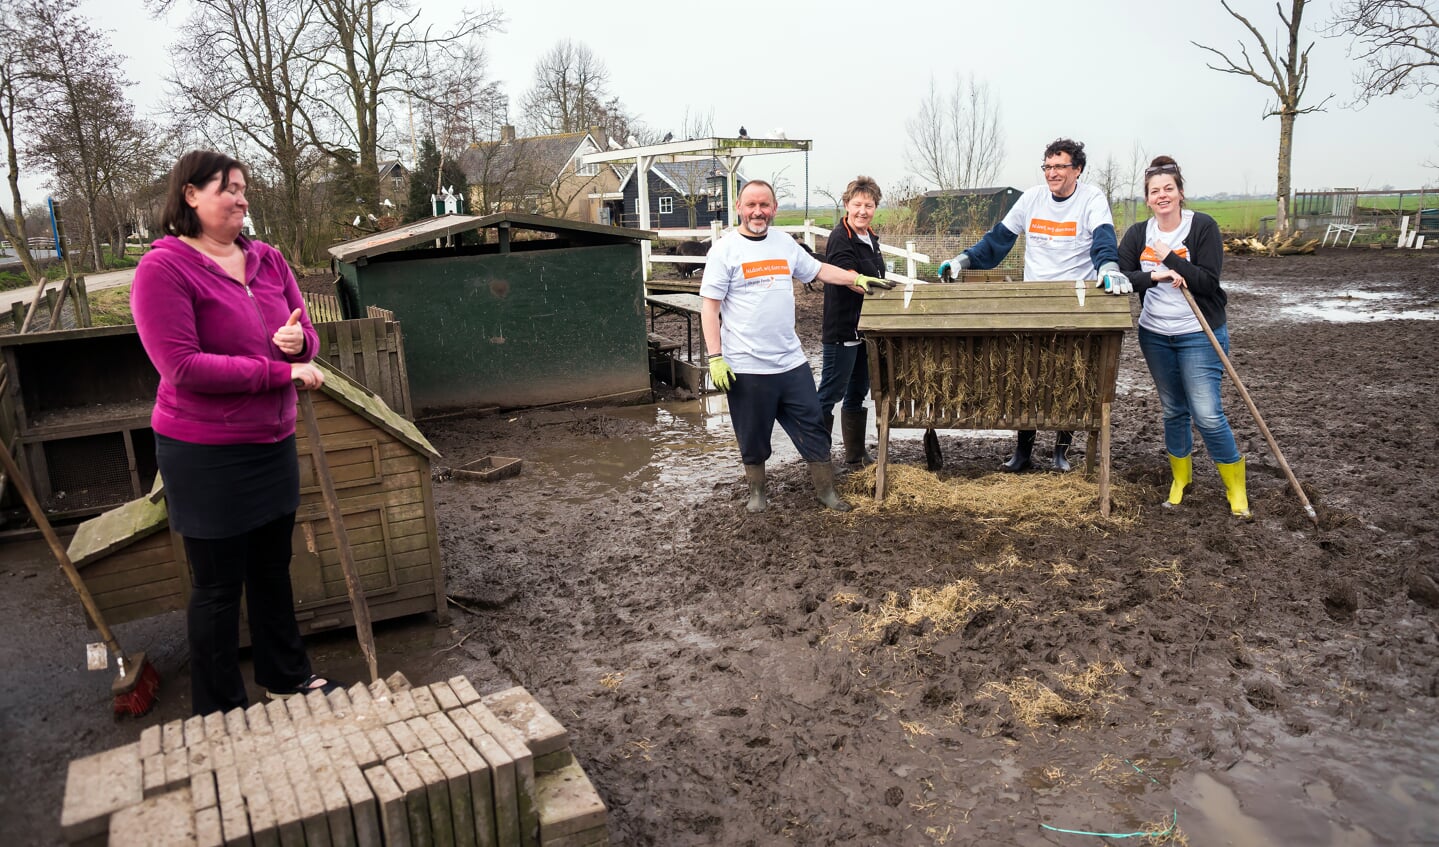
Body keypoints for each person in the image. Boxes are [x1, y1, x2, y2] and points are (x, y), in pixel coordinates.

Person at [131, 150, 342, 715]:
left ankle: (286, 677)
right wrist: (281, 371)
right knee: (219, 588)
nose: (241, 197)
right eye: (227, 187)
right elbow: (183, 366)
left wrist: (299, 345)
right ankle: (221, 709)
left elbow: (306, 336)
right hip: (205, 453)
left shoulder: (268, 259)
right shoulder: (163, 269)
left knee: (272, 570)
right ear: (190, 196)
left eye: (244, 187)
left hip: (272, 442)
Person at [937, 138, 1129, 472]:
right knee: (1027, 374)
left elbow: (1102, 240)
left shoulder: (1091, 199)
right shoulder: (1032, 199)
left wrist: (1108, 267)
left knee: (1069, 375)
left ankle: (1061, 451)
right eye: (1048, 166)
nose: (1052, 173)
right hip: (1034, 302)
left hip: (1074, 302)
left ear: (1077, 169)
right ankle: (1023, 451)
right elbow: (998, 240)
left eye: (1060, 166)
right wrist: (962, 260)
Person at [701, 180, 886, 513]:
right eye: (751, 205)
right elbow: (710, 308)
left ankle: (825, 491)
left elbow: (818, 270)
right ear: (740, 208)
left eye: (764, 205)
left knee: (813, 423)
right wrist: (715, 358)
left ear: (773, 209)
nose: (758, 212)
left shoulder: (784, 243)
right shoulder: (724, 250)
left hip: (790, 361)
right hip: (746, 365)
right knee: (753, 434)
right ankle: (758, 492)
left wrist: (855, 278)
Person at [1117, 155, 1248, 518]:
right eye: (1155, 191)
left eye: (1168, 189)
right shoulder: (1136, 234)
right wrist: (1155, 276)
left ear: (1180, 193)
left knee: (1206, 414)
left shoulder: (1202, 227)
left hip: (1199, 332)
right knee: (1174, 410)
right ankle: (1181, 480)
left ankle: (1236, 489)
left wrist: (1170, 259)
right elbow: (1120, 278)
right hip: (1156, 334)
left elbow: (1208, 281)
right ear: (1147, 198)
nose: (1162, 196)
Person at [817, 176, 886, 469]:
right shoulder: (840, 238)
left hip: (866, 329)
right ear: (846, 205)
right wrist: (872, 287)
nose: (862, 210)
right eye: (857, 204)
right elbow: (849, 278)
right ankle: (818, 457)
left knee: (858, 391)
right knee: (831, 391)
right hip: (843, 328)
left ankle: (855, 453)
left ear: (875, 208)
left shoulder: (871, 238)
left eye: (868, 205)